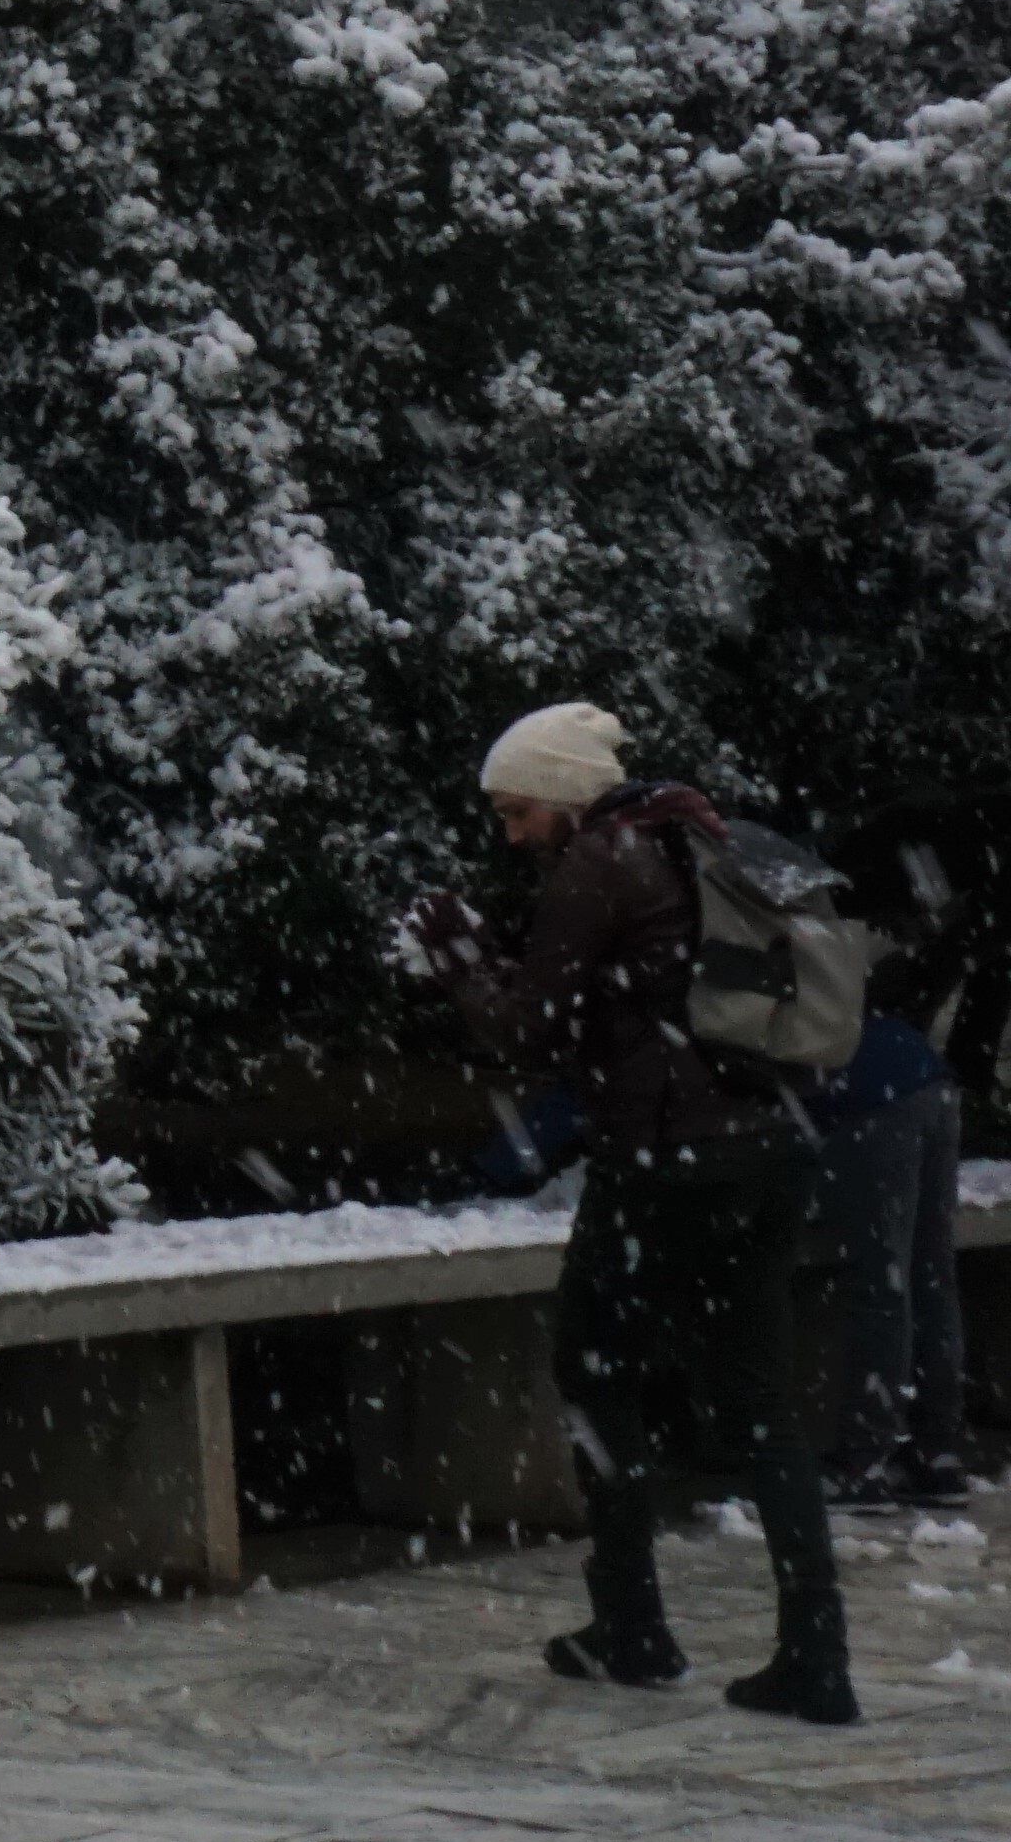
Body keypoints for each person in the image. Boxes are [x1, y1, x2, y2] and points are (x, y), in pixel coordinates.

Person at [417, 700, 857, 1723]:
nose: (511, 831)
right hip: (768, 1146)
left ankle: (632, 1626)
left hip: (665, 1163)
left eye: (518, 809)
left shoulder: (600, 861)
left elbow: (528, 1028)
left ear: (566, 793)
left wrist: (455, 959)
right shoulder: (695, 835)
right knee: (760, 1398)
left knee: (593, 1371)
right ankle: (817, 1653)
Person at [805, 991, 973, 1508]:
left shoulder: (721, 983)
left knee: (882, 1281)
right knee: (928, 1275)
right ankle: (937, 1450)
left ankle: (864, 1459)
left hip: (873, 1098)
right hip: (926, 1077)